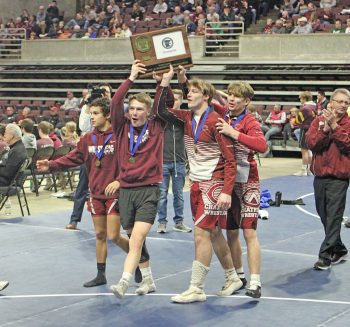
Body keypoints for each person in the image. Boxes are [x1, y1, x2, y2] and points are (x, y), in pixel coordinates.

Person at [157, 66, 242, 303]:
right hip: (196, 184)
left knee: (201, 234)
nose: (188, 95)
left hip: (213, 185)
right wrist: (165, 82)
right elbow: (159, 110)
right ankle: (233, 276)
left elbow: (231, 160)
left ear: (205, 96)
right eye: (188, 92)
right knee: (213, 233)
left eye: (194, 92)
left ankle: (196, 287)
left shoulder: (216, 121)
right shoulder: (185, 118)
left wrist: (226, 191)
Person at [37, 97, 141, 287]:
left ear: (107, 114)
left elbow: (132, 162)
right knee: (100, 235)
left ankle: (139, 259)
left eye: (95, 113)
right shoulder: (87, 139)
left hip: (115, 195)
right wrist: (50, 165)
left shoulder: (119, 135)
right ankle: (101, 275)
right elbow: (73, 158)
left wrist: (119, 180)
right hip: (96, 193)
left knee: (114, 236)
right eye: (90, 113)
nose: (91, 117)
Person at [109, 61, 166, 299]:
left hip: (148, 190)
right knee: (136, 240)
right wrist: (131, 77)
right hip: (126, 192)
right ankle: (149, 280)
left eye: (139, 109)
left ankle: (124, 281)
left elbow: (165, 104)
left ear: (148, 112)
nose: (134, 113)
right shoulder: (122, 128)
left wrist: (162, 82)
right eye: (131, 108)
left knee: (137, 238)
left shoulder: (157, 126)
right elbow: (114, 104)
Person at [306, 88, 350, 270]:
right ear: (330, 103)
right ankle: (339, 249)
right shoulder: (318, 121)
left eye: (346, 103)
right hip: (320, 176)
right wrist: (324, 129)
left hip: (339, 178)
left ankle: (325, 256)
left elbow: (348, 145)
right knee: (324, 216)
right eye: (339, 101)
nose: (343, 105)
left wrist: (335, 127)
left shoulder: (348, 123)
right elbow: (311, 143)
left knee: (333, 217)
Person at [65, 83, 112, 230]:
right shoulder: (91, 110)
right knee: (82, 186)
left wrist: (108, 103)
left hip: (110, 153)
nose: (104, 94)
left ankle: (115, 219)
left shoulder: (116, 108)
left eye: (106, 92)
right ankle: (74, 219)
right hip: (91, 152)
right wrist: (87, 102)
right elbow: (83, 127)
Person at [155, 87, 192, 234]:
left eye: (176, 99)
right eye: (172, 99)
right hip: (162, 162)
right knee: (162, 195)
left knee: (179, 195)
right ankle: (162, 223)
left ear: (181, 101)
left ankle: (179, 222)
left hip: (179, 162)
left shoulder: (184, 118)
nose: (174, 102)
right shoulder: (160, 118)